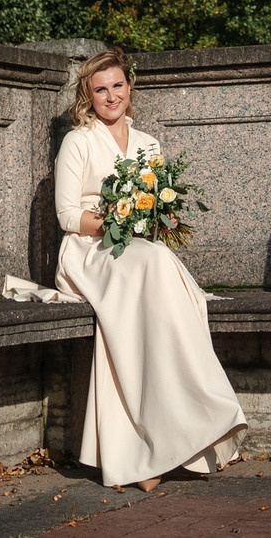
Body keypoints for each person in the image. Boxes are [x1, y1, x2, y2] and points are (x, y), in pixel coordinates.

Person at [52, 47, 249, 490]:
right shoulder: (78, 141)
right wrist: (114, 221)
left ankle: (175, 434)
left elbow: (156, 209)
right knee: (157, 264)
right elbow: (66, 215)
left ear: (129, 87)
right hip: (88, 251)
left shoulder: (148, 144)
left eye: (117, 85)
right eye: (100, 89)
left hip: (137, 251)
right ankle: (143, 450)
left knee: (162, 290)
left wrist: (153, 218)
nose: (111, 96)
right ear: (87, 95)